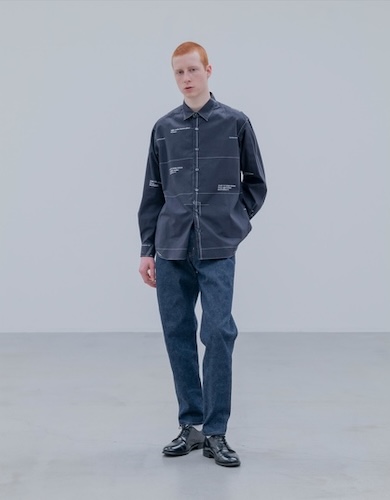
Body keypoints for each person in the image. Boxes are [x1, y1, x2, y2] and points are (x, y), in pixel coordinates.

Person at [138, 41, 267, 467]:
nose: (186, 78)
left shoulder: (235, 122)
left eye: (193, 69)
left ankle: (216, 432)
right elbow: (153, 192)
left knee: (219, 332)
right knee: (177, 333)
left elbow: (256, 183)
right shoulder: (163, 128)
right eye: (179, 72)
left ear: (208, 70)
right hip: (171, 247)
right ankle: (191, 426)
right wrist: (147, 249)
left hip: (216, 248)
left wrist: (234, 223)